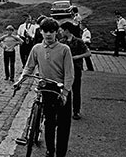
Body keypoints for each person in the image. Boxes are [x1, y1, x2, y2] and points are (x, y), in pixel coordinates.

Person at [14, 18, 74, 157]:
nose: (48, 34)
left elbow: (69, 74)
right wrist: (19, 81)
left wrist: (65, 93)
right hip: (46, 88)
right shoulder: (37, 49)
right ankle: (50, 150)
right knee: (49, 122)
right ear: (41, 32)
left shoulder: (64, 49)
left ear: (56, 32)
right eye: (45, 31)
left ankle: (60, 153)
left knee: (63, 125)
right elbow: (28, 68)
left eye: (51, 31)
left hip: (61, 89)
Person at [59, 21, 91, 121]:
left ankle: (76, 111)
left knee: (76, 90)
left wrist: (77, 57)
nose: (60, 32)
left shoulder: (78, 41)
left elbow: (88, 53)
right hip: (64, 69)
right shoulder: (61, 42)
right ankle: (65, 110)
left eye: (62, 30)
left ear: (66, 30)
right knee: (65, 89)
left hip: (76, 68)